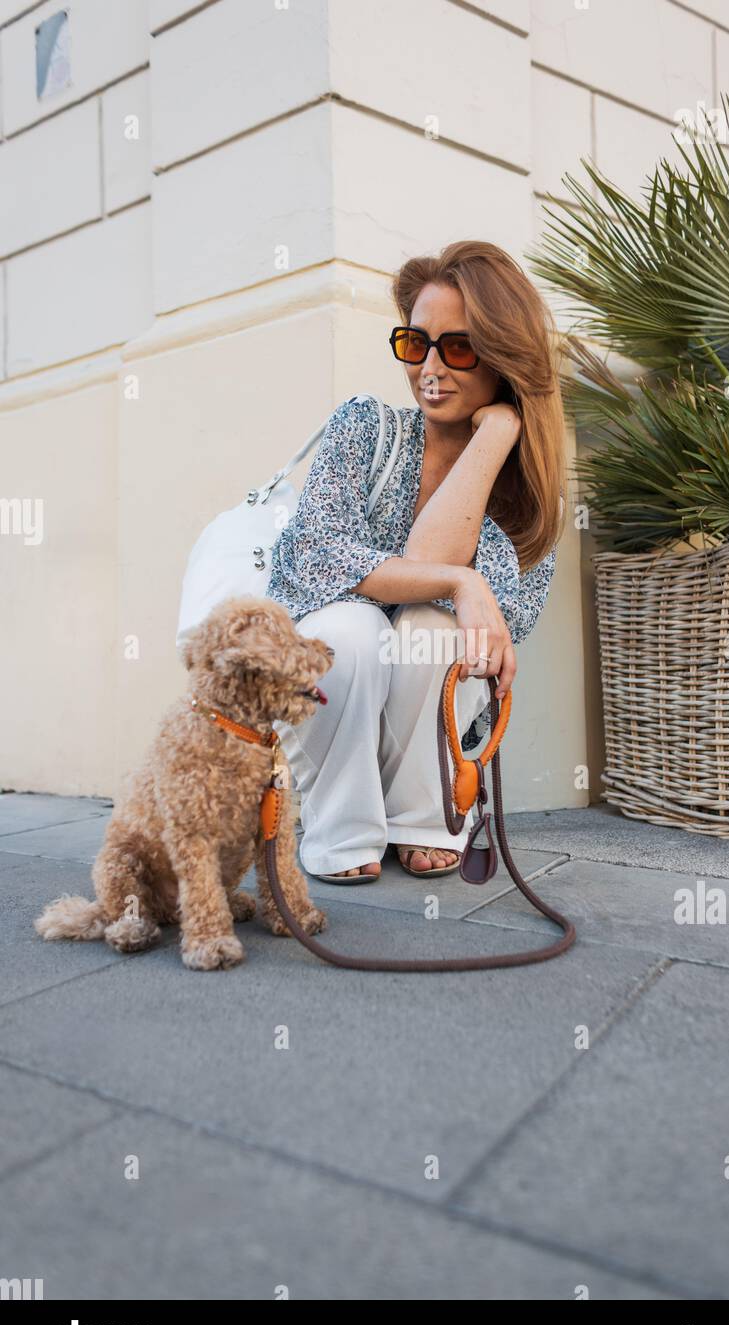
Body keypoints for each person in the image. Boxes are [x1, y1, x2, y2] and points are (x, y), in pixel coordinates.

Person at [266, 239, 566, 882]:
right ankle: (340, 829)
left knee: (433, 631)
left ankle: (421, 819)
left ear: (504, 358)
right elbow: (316, 553)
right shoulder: (366, 426)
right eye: (414, 343)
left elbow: (481, 620)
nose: (430, 366)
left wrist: (498, 433)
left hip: (427, 726)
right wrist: (461, 581)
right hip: (330, 687)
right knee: (353, 628)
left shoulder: (530, 501)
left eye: (458, 347)